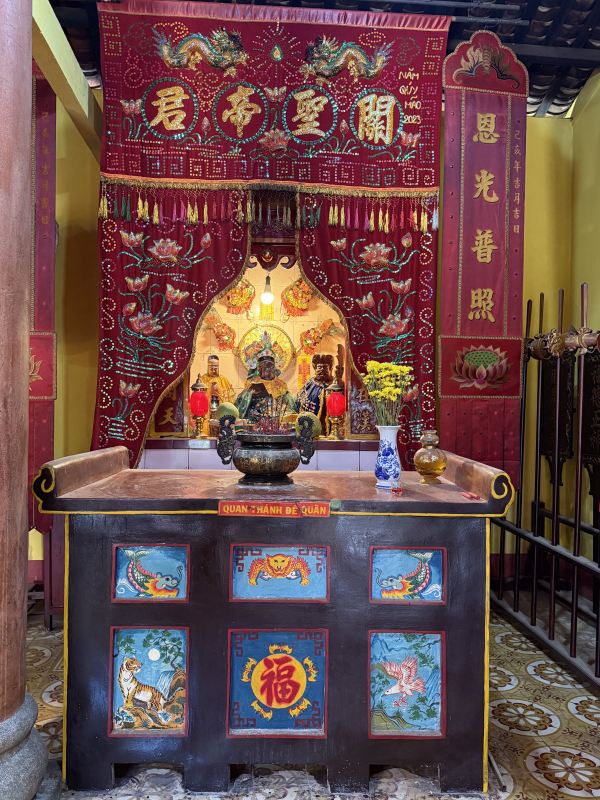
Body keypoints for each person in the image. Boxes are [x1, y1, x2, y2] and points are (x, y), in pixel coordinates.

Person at [235, 347, 296, 423]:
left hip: (277, 421)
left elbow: (290, 407)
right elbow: (241, 406)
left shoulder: (281, 386)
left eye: (270, 365)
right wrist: (251, 396)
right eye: (264, 366)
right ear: (258, 368)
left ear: (274, 368)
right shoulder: (252, 384)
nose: (267, 368)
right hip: (255, 420)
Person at [296, 353, 334, 429]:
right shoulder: (309, 384)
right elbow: (299, 401)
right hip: (311, 426)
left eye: (325, 367)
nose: (322, 369)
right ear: (315, 368)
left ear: (330, 368)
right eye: (319, 367)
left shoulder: (335, 384)